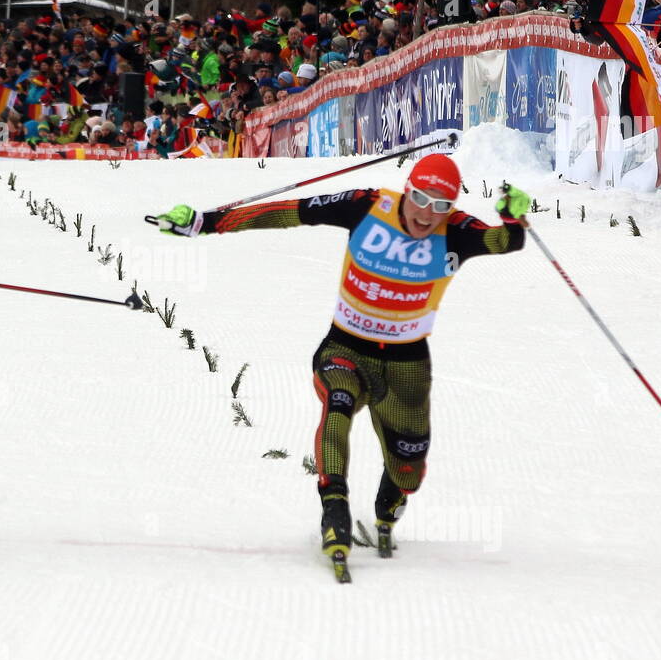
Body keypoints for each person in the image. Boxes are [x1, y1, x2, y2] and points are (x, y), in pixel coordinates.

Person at [151, 154, 530, 579]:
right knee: (338, 402)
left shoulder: (457, 231)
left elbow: (503, 242)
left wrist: (514, 218)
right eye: (421, 198)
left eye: (440, 205)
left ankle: (390, 503)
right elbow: (286, 213)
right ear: (407, 190)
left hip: (406, 364)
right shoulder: (368, 205)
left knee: (408, 471)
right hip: (345, 348)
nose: (427, 213)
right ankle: (335, 508)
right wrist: (207, 222)